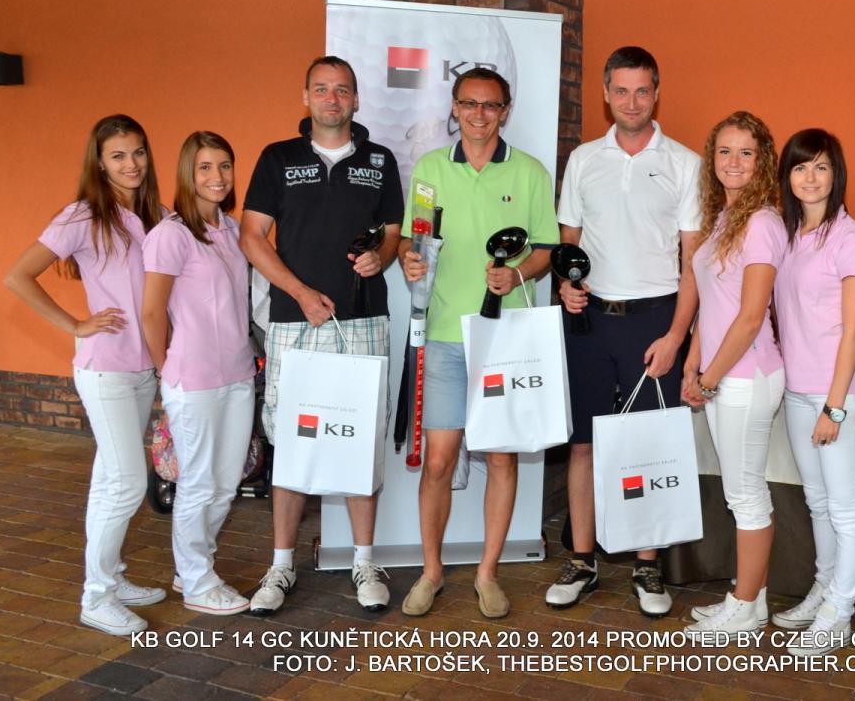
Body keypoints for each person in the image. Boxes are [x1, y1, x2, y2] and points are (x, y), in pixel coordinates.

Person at [240, 56, 404, 616]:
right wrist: (301, 292)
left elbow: (391, 235)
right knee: (292, 442)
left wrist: (380, 259)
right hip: (294, 320)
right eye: (322, 89)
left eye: (342, 90)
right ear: (306, 97)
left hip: (363, 320)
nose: (332, 99)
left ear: (356, 99)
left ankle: (364, 561)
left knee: (360, 438)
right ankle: (281, 564)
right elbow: (252, 237)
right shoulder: (277, 158)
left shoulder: (380, 161)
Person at [398, 68, 558, 619]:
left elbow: (545, 250)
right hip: (445, 334)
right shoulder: (430, 169)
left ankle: (488, 574)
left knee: (501, 458)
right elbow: (413, 239)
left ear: (505, 111)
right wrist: (409, 259)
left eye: (490, 105)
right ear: (455, 107)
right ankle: (432, 571)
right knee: (438, 462)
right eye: (470, 104)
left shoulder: (530, 172)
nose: (479, 114)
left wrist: (517, 274)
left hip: (505, 339)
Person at [548, 46, 700, 617]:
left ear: (656, 93)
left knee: (650, 443)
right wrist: (564, 286)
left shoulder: (685, 163)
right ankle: (581, 561)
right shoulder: (584, 159)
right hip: (589, 319)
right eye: (621, 91)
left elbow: (693, 263)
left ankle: (647, 565)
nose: (631, 102)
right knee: (584, 442)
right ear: (605, 94)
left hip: (655, 320)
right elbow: (568, 244)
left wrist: (677, 335)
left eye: (642, 91)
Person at [4, 114, 167, 636]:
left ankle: (111, 577)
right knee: (127, 481)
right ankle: (96, 598)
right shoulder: (82, 216)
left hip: (143, 368)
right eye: (118, 155)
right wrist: (76, 324)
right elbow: (17, 276)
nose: (131, 164)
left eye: (138, 152)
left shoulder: (155, 215)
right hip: (106, 369)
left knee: (109, 478)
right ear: (99, 162)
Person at [680, 111, 786, 634]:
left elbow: (749, 318)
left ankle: (743, 607)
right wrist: (694, 362)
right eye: (724, 151)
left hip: (747, 375)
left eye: (746, 152)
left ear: (762, 160)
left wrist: (710, 377)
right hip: (725, 373)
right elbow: (712, 303)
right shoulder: (726, 217)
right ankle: (753, 600)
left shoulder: (762, 222)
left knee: (745, 495)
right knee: (742, 492)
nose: (734, 161)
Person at [141, 132, 254, 616]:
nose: (217, 176)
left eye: (224, 165)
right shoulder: (171, 234)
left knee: (226, 484)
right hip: (193, 378)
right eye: (205, 167)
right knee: (199, 483)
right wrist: (165, 371)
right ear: (188, 172)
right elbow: (151, 312)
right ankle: (196, 581)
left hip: (238, 374)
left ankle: (192, 565)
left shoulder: (230, 229)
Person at [770, 129, 855, 654]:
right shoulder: (787, 235)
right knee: (817, 502)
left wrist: (834, 407)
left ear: (837, 174)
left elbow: (854, 331)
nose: (810, 177)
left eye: (821, 166)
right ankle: (824, 589)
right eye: (800, 167)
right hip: (796, 390)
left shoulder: (851, 238)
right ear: (787, 176)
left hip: (838, 395)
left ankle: (841, 611)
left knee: (846, 507)